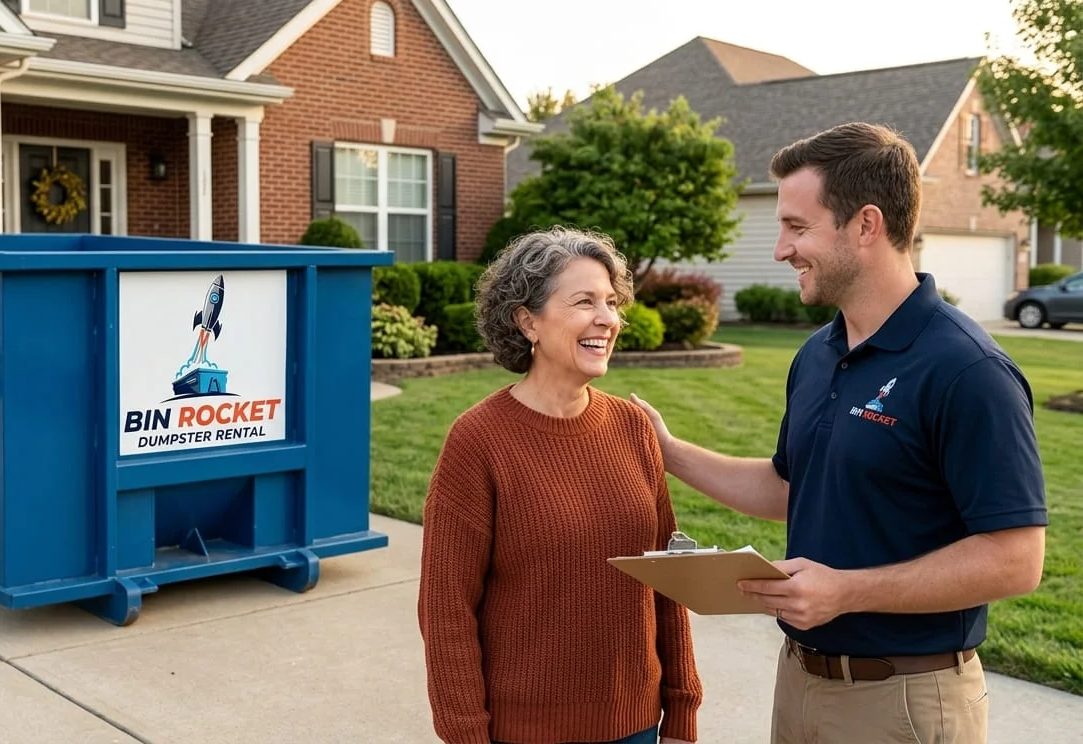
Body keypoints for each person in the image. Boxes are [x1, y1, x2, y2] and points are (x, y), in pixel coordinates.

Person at [630, 122, 1048, 744]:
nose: (780, 249)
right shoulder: (819, 353)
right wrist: (667, 452)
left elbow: (1016, 559)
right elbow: (790, 487)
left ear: (866, 225)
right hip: (799, 682)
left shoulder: (967, 370)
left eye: (797, 228)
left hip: (906, 700)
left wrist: (847, 592)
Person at [417, 225, 703, 744]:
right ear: (528, 321)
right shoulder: (478, 440)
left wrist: (681, 713)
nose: (607, 319)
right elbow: (446, 611)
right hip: (523, 732)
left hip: (636, 724)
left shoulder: (633, 427)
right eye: (584, 302)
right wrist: (465, 735)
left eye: (612, 302)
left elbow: (669, 580)